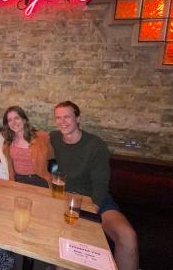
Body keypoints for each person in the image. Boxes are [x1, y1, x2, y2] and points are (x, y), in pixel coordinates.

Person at [50, 101, 138, 270]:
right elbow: (33, 138)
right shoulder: (54, 137)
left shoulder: (95, 145)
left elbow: (101, 184)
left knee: (128, 236)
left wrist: (92, 213)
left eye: (67, 117)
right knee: (68, 254)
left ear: (78, 118)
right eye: (58, 118)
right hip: (68, 200)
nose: (62, 121)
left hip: (97, 200)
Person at [2, 106, 52, 187]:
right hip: (17, 180)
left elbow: (51, 155)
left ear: (24, 120)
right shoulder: (8, 142)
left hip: (39, 179)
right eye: (10, 120)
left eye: (16, 118)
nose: (14, 122)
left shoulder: (41, 137)